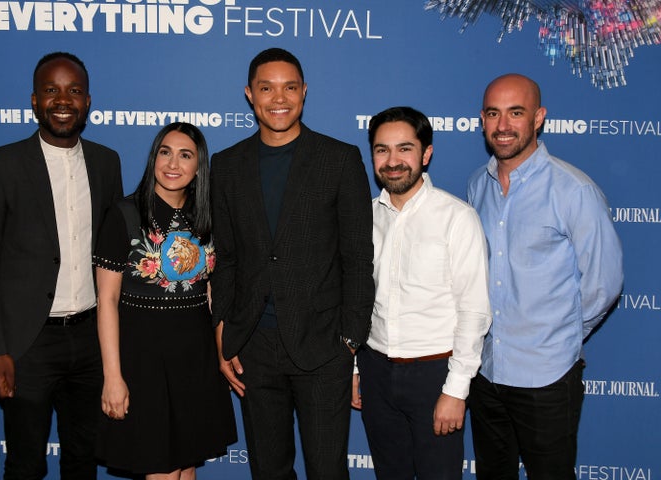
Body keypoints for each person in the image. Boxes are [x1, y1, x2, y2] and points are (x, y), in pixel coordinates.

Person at [210, 47, 375, 480]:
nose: (278, 98)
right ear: (250, 94)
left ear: (304, 92)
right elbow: (225, 258)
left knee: (327, 470)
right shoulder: (225, 166)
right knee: (268, 471)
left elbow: (358, 257)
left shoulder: (339, 160)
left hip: (324, 347)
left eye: (289, 87)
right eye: (266, 88)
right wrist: (223, 331)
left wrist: (350, 342)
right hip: (254, 347)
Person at [0, 52, 123, 479]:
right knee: (25, 463)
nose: (63, 99)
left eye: (73, 91)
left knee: (83, 459)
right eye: (51, 90)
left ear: (88, 101)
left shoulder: (107, 163)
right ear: (34, 100)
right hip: (27, 344)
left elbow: (114, 256)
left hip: (91, 342)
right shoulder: (0, 165)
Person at [466, 73, 624, 480]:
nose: (503, 126)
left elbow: (603, 284)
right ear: (481, 119)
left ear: (538, 118)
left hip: (548, 375)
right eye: (493, 113)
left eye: (515, 113)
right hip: (486, 371)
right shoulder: (476, 186)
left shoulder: (573, 190)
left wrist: (559, 335)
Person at [352, 106, 491, 480]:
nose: (393, 161)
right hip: (376, 370)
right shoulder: (364, 218)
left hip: (435, 376)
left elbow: (474, 311)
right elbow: (355, 301)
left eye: (405, 149)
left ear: (426, 153)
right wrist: (354, 368)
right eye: (382, 150)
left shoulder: (457, 218)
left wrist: (456, 390)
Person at [94, 122, 237, 480]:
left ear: (198, 166)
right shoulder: (124, 214)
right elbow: (107, 301)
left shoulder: (207, 218)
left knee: (185, 469)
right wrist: (113, 376)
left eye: (185, 155)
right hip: (143, 362)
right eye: (165, 152)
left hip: (195, 360)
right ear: (153, 157)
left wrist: (221, 353)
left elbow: (210, 293)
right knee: (160, 471)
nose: (173, 163)